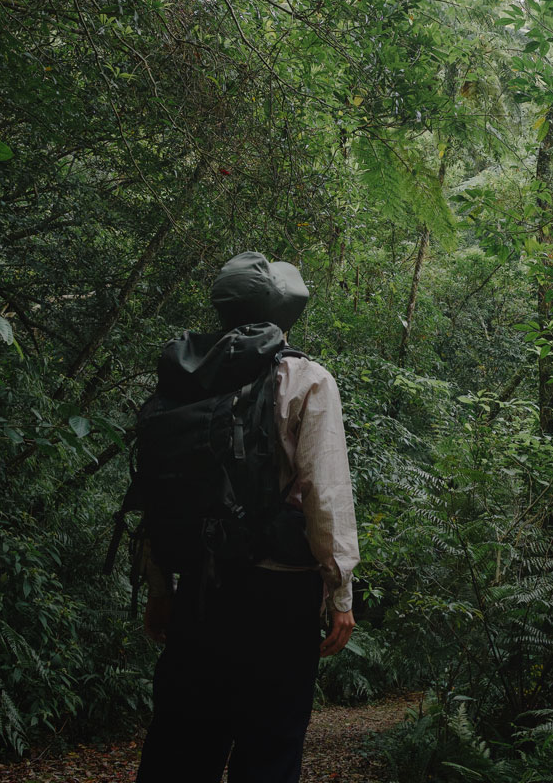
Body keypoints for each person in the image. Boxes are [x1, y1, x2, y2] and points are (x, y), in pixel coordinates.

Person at [135, 252, 360, 783]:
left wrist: (159, 587)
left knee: (182, 746)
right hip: (280, 596)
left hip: (199, 589)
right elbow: (325, 494)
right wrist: (341, 591)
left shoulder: (183, 375)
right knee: (269, 746)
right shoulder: (306, 378)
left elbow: (156, 488)